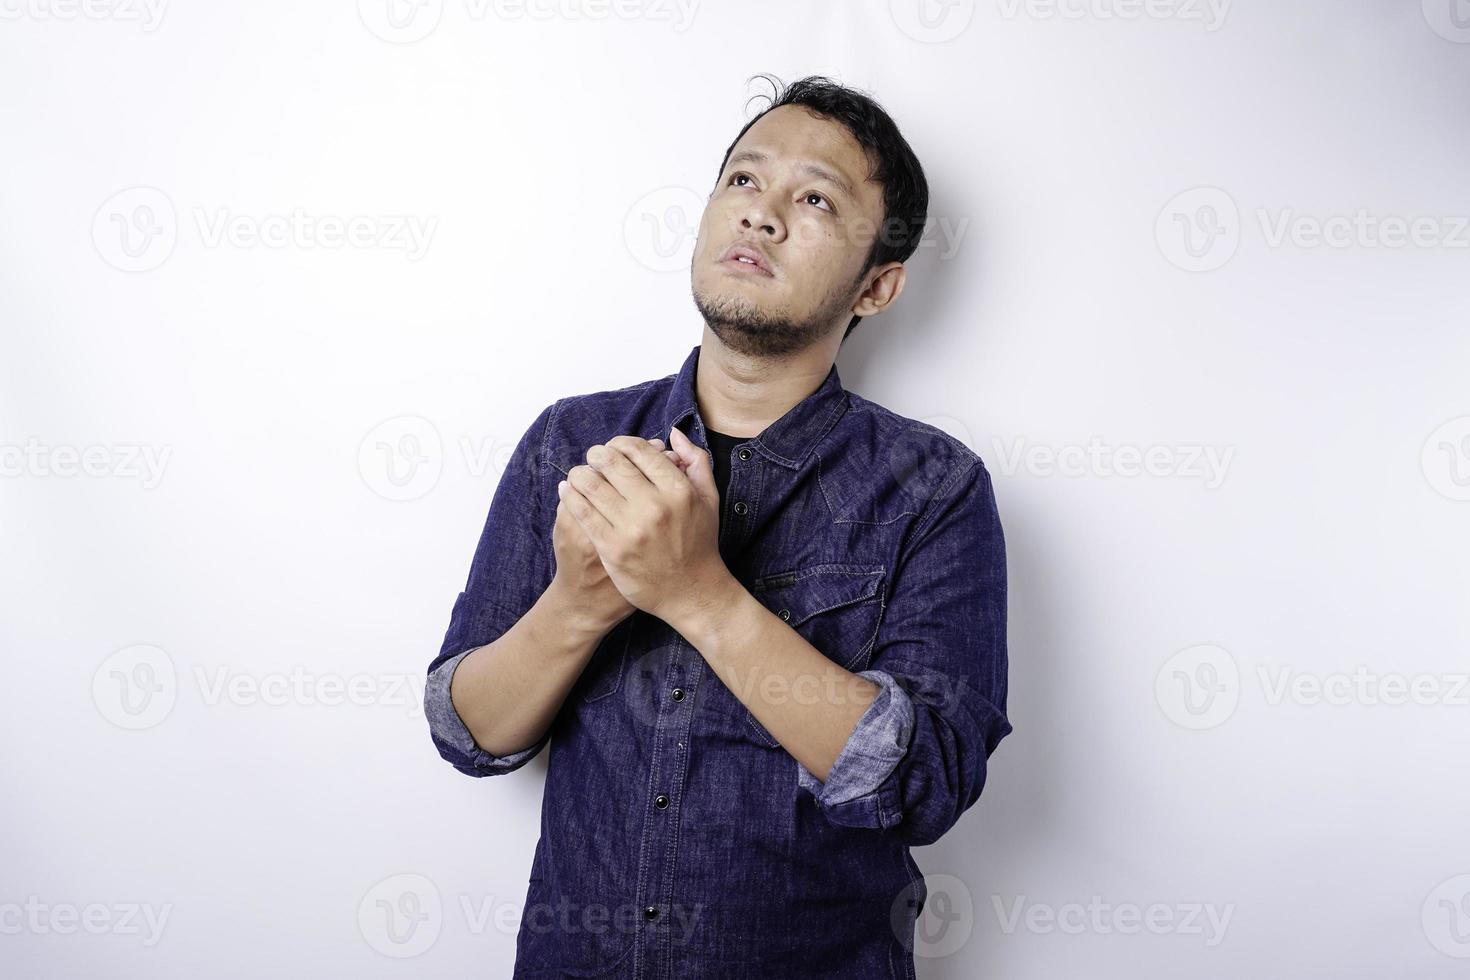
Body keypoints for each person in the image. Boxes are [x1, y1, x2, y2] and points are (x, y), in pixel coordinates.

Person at [424, 73, 1011, 979]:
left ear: (879, 287)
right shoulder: (575, 443)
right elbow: (469, 732)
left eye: (815, 198)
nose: (761, 215)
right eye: (743, 180)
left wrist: (698, 594)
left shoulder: (934, 489)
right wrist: (580, 604)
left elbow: (923, 783)